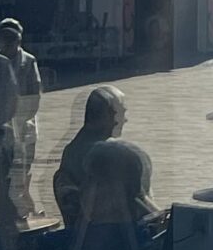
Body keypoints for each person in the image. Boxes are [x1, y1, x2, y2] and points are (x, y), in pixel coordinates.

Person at [0, 18, 43, 238]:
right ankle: (1, 214)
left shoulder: (28, 62)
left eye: (14, 40)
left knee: (19, 172)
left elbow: (34, 96)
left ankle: (18, 212)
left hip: (21, 127)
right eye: (5, 40)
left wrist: (19, 121)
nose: (10, 45)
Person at [52, 87, 150, 224]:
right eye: (122, 113)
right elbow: (139, 203)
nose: (125, 120)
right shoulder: (111, 155)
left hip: (82, 231)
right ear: (108, 117)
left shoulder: (71, 150)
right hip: (113, 232)